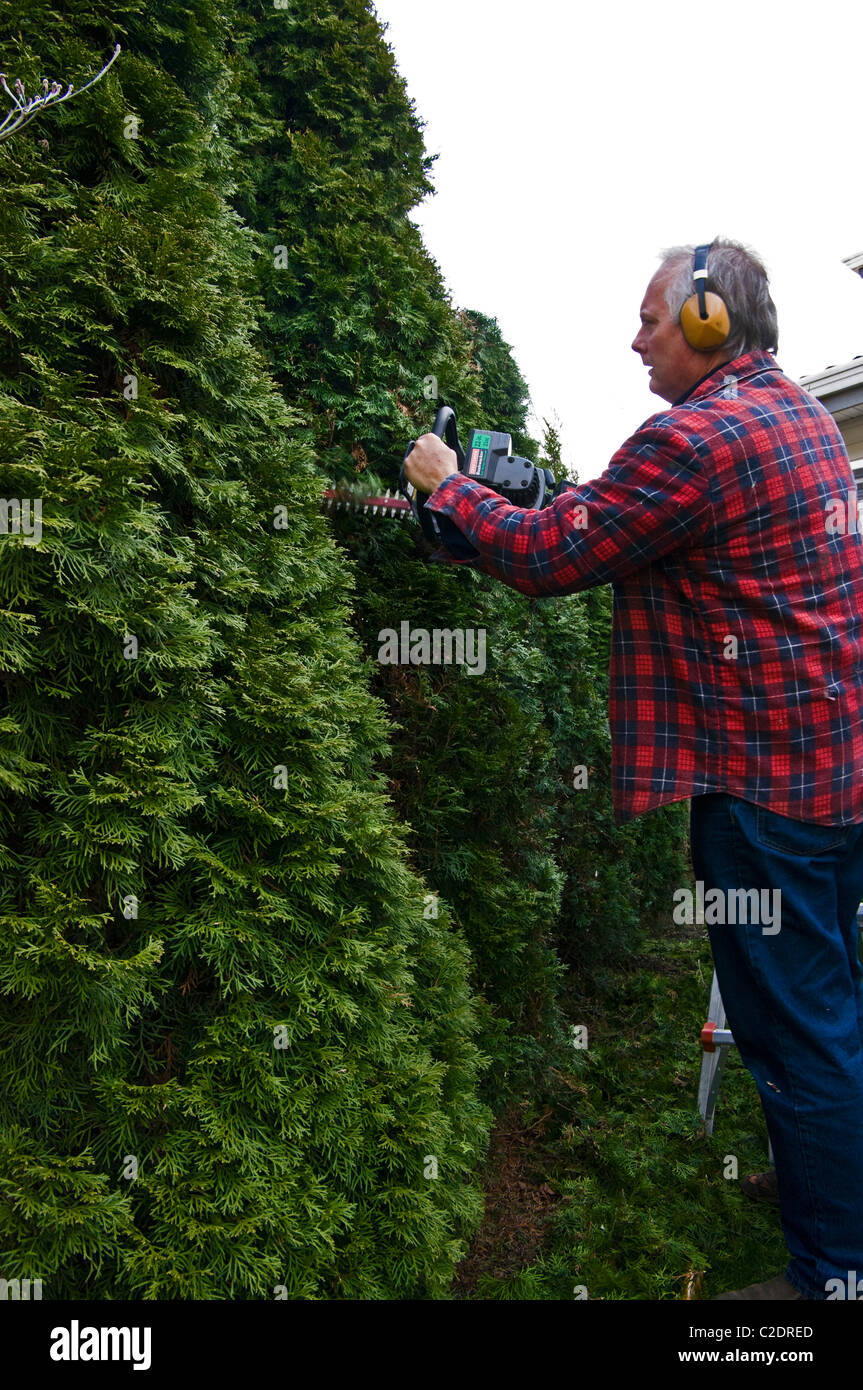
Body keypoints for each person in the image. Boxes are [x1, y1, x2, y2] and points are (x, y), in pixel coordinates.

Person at [403, 238, 863, 1301]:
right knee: (827, 1013)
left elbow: (553, 557)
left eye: (649, 318)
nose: (633, 337)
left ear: (706, 321)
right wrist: (527, 503)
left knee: (797, 1042)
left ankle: (832, 1278)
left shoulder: (696, 436)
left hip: (761, 797)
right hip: (828, 782)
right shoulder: (787, 414)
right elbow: (619, 521)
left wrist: (446, 488)